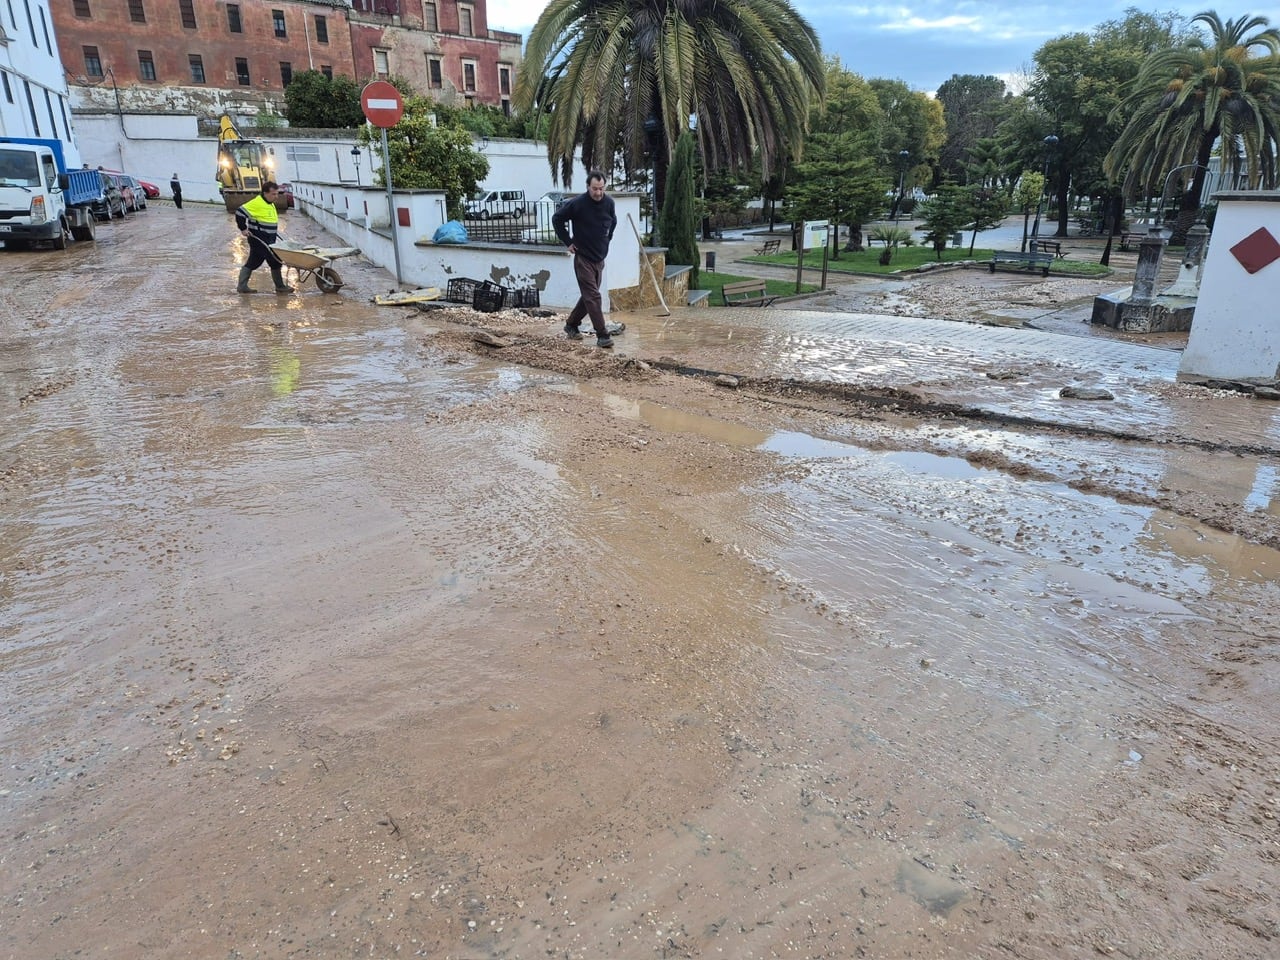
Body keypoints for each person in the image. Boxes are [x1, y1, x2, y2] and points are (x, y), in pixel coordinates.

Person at [552, 170, 617, 348]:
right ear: (588, 187)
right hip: (583, 258)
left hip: (599, 258)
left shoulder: (609, 203)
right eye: (595, 189)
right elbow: (557, 219)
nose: (598, 193)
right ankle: (603, 335)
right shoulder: (577, 204)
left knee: (589, 296)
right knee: (594, 296)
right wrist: (568, 242)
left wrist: (607, 241)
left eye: (601, 189)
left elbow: (613, 222)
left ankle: (571, 325)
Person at [233, 181, 292, 294]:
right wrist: (243, 229)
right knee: (271, 261)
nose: (276, 196)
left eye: (277, 194)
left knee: (258, 261)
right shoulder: (257, 203)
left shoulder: (269, 203)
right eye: (273, 194)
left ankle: (242, 286)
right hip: (259, 239)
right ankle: (279, 286)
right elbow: (239, 213)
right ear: (265, 193)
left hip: (269, 239)